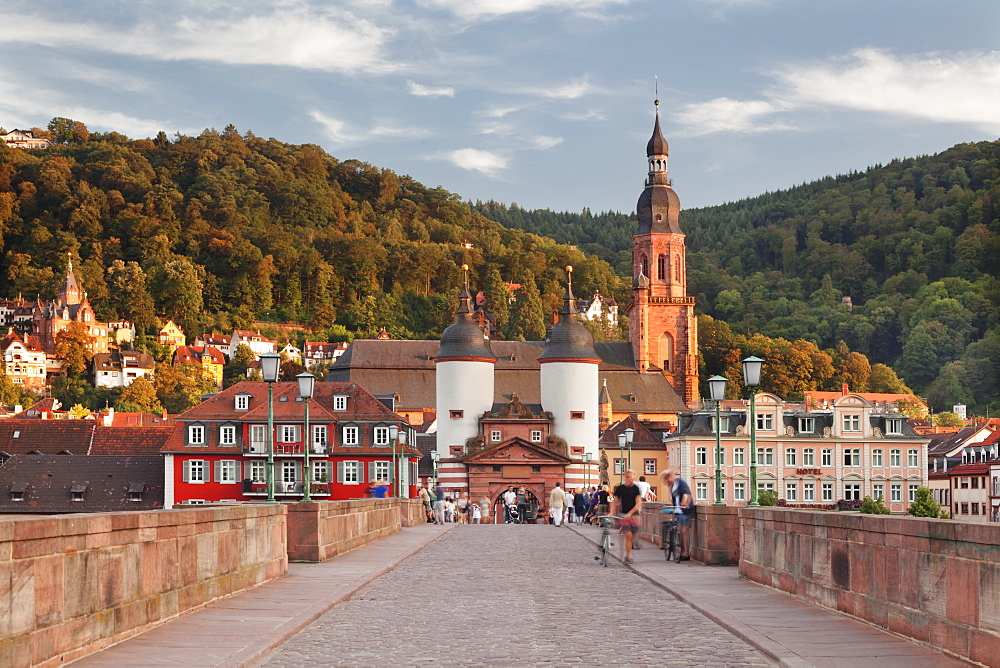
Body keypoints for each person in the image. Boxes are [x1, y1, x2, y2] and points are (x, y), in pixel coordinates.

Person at [660, 469, 694, 561]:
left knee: (684, 531)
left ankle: (686, 553)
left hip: (685, 510)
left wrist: (684, 502)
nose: (665, 482)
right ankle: (681, 551)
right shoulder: (671, 486)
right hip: (678, 511)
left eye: (665, 479)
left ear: (669, 478)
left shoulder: (680, 482)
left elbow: (686, 494)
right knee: (679, 530)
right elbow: (674, 499)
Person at [613, 469, 644, 564]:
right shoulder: (620, 488)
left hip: (634, 515)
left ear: (633, 477)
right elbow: (615, 501)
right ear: (625, 477)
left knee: (634, 535)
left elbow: (639, 502)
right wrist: (613, 511)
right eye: (627, 477)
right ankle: (628, 555)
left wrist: (631, 512)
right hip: (624, 515)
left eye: (630, 477)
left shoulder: (636, 488)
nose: (629, 478)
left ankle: (633, 545)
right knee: (628, 535)